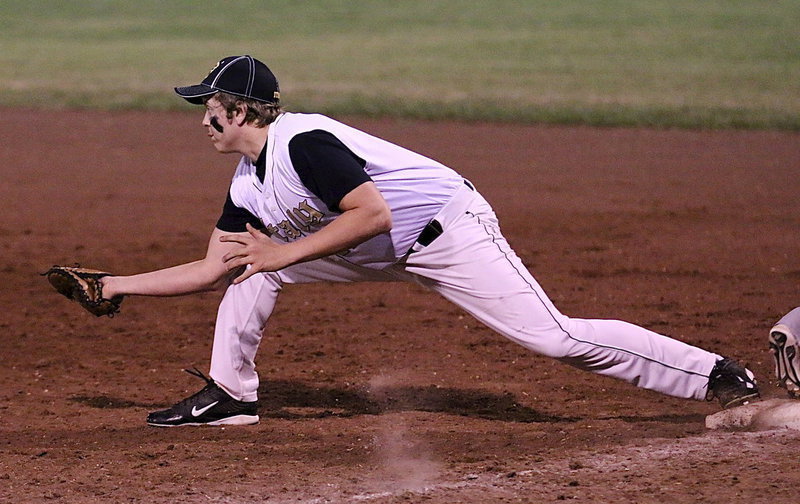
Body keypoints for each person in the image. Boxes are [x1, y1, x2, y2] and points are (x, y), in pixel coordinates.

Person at [95, 55, 759, 427]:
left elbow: (373, 213)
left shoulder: (306, 142)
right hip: (375, 247)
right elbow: (217, 266)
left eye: (208, 107)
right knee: (251, 271)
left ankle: (720, 377)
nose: (202, 120)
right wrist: (113, 284)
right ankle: (231, 396)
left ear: (239, 110)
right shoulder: (247, 181)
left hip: (446, 231)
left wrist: (283, 253)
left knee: (554, 336)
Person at [770, 307, 800, 398]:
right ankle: (795, 391)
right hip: (788, 335)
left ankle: (792, 389)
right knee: (793, 372)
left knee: (783, 373)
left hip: (776, 331)